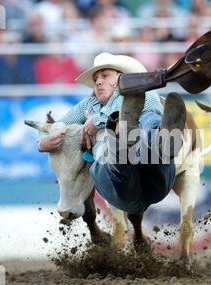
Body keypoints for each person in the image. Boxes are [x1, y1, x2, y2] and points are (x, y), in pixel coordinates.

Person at [38, 52, 186, 223]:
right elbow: (59, 124)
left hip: (152, 167)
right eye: (95, 80)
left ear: (121, 78)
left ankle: (163, 142)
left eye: (105, 75)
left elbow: (153, 107)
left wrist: (98, 120)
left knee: (148, 119)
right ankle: (125, 138)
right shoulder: (88, 104)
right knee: (109, 146)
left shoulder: (144, 93)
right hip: (122, 185)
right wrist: (42, 141)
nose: (98, 82)